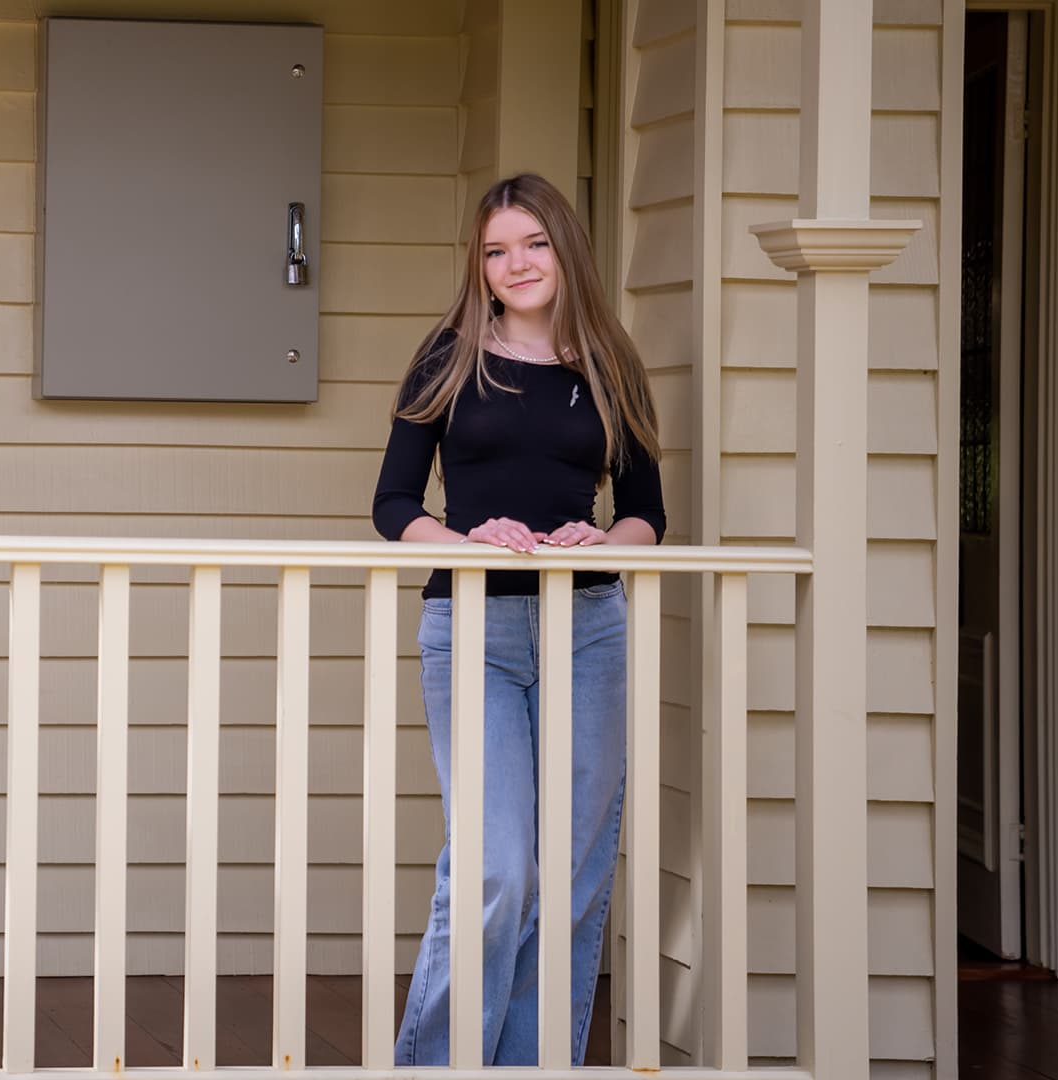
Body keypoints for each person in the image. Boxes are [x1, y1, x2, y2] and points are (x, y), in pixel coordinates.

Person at [371, 173, 666, 1066]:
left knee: (571, 880)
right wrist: (463, 538)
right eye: (496, 250)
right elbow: (391, 504)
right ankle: (434, 1064)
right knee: (496, 871)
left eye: (533, 244)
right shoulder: (448, 356)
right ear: (481, 266)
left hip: (589, 626)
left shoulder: (611, 366)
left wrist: (603, 539)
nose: (516, 264)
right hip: (474, 630)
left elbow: (649, 512)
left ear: (564, 248)